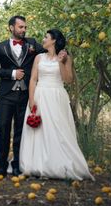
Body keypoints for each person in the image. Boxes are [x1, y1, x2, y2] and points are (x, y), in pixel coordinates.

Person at [19, 29, 94, 181]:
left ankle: (58, 165)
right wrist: (32, 99)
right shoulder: (39, 57)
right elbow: (33, 79)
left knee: (58, 130)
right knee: (39, 130)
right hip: (40, 95)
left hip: (56, 96)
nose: (43, 39)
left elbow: (68, 80)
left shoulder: (65, 57)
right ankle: (37, 165)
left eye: (46, 37)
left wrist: (61, 62)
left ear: (53, 40)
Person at [0, 15, 45, 176]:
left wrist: (62, 51)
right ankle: (1, 164)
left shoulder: (32, 44)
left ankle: (17, 164)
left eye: (25, 27)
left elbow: (49, 52)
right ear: (11, 28)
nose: (24, 30)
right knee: (3, 129)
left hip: (25, 96)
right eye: (21, 27)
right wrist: (12, 73)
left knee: (21, 131)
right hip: (6, 96)